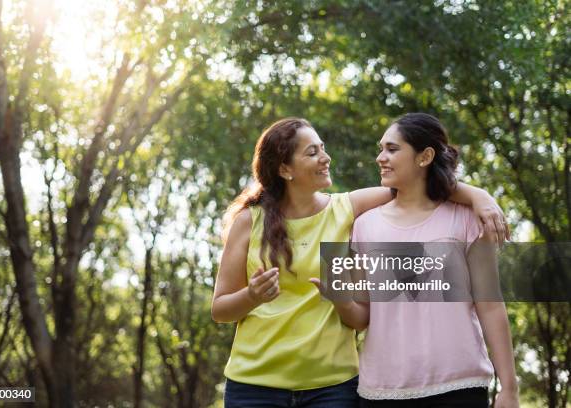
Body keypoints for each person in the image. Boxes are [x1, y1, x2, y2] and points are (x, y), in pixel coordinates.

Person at [212, 117, 509, 408]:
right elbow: (220, 310)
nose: (325, 157)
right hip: (255, 385)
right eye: (312, 152)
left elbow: (417, 184)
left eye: (322, 147)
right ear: (285, 169)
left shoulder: (348, 210)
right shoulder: (250, 222)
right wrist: (252, 296)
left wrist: (477, 196)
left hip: (331, 387)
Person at [325, 113, 519, 407]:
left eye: (392, 149)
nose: (380, 157)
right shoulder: (365, 225)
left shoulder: (466, 218)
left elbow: (490, 306)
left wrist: (509, 388)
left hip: (459, 389)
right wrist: (341, 302)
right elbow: (363, 315)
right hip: (382, 391)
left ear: (425, 156)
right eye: (381, 149)